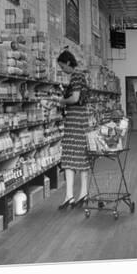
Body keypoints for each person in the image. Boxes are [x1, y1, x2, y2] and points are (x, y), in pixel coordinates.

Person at [55, 50, 90, 210]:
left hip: (75, 121)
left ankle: (74, 195)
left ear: (68, 63)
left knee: (71, 157)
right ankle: (78, 194)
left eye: (62, 66)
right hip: (78, 120)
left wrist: (62, 101)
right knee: (77, 158)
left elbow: (75, 98)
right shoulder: (80, 76)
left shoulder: (76, 76)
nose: (62, 70)